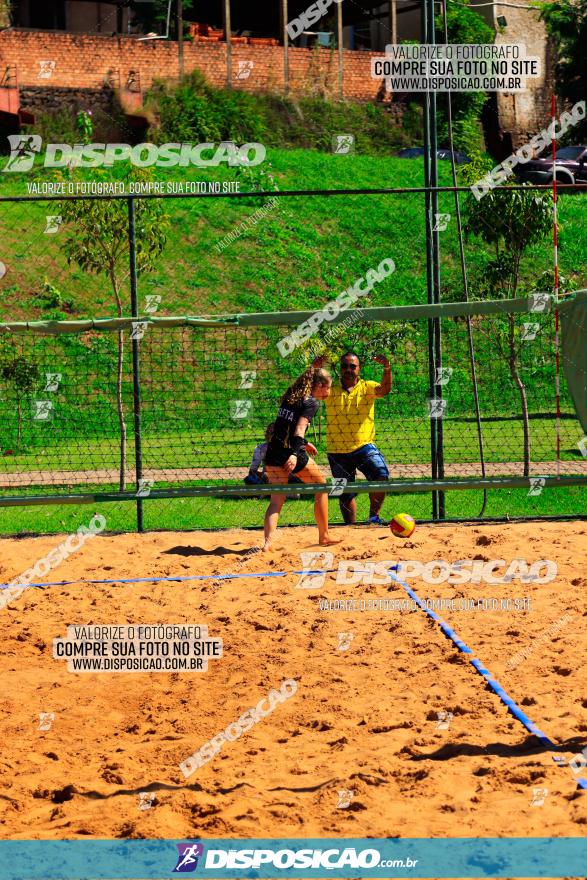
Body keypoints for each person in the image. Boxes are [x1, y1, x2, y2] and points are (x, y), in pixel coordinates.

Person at [263, 365, 342, 550]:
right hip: (290, 453)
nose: (329, 392)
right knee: (322, 487)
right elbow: (298, 430)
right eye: (328, 387)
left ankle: (267, 544)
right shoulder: (311, 402)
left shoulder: (291, 397)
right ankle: (324, 536)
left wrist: (304, 443)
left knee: (276, 500)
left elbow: (284, 426)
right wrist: (296, 454)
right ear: (320, 385)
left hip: (273, 452)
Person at [322, 351, 393, 525]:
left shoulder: (367, 387)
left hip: (363, 446)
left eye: (352, 366)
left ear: (359, 369)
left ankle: (373, 518)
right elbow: (310, 389)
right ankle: (350, 528)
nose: (348, 369)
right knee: (344, 492)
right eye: (345, 366)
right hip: (336, 450)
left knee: (381, 474)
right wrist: (315, 368)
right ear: (340, 368)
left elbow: (384, 390)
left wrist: (387, 368)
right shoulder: (330, 389)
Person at [244, 423, 302, 497]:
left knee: (296, 481)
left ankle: (268, 492)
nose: (272, 436)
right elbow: (252, 471)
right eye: (270, 433)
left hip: (286, 478)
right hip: (268, 479)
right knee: (249, 479)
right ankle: (273, 492)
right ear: (266, 434)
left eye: (275, 433)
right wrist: (265, 474)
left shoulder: (290, 448)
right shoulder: (260, 448)